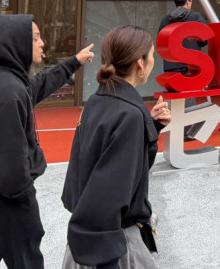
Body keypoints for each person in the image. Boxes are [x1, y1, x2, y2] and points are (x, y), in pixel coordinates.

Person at [0, 15, 95, 269]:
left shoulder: (2, 77)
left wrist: (74, 61)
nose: (43, 43)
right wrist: (24, 201)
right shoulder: (9, 92)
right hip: (5, 205)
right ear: (16, 42)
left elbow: (37, 86)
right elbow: (9, 166)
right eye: (36, 38)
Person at [62, 26, 171, 268]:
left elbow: (112, 163)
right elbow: (110, 193)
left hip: (85, 241)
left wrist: (150, 125)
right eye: (152, 55)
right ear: (140, 62)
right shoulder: (130, 114)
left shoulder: (97, 101)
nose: (153, 61)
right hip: (113, 246)